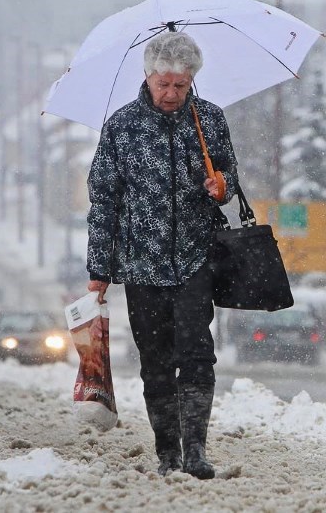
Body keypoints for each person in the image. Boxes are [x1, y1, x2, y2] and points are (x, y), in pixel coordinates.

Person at [85, 30, 238, 479]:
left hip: (195, 259)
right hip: (140, 263)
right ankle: (167, 452)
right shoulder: (121, 126)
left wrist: (221, 185)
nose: (171, 94)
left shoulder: (209, 121)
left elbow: (230, 175)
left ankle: (195, 451)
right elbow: (104, 201)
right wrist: (100, 268)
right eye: (164, 84)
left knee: (196, 353)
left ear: (192, 81)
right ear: (148, 77)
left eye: (181, 86)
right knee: (154, 358)